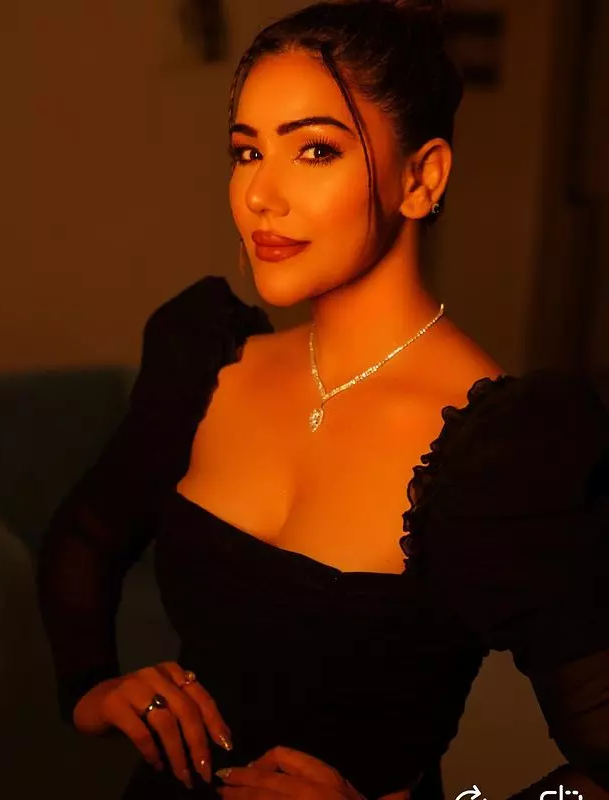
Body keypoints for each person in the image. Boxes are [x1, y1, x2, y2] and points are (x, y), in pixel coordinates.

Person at [36, 0, 609, 798]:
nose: (260, 195)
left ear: (421, 178)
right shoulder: (206, 362)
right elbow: (83, 538)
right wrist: (92, 687)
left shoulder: (505, 453)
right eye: (247, 152)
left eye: (314, 150)